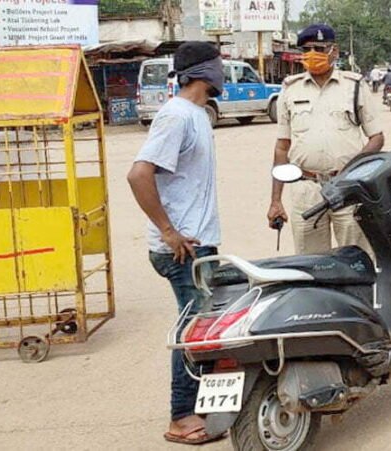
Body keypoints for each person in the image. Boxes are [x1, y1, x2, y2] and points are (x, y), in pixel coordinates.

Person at [126, 41, 225, 445]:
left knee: (205, 326)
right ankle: (182, 416)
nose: (223, 72)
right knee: (193, 329)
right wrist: (168, 231)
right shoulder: (176, 116)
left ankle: (200, 405)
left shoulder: (197, 114)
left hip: (198, 246)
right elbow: (138, 175)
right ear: (203, 72)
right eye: (218, 66)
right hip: (183, 250)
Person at [267, 24, 384, 254]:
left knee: (357, 262)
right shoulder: (290, 90)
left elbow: (376, 138)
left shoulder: (355, 86)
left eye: (319, 48)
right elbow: (282, 147)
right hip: (306, 190)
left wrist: (351, 171)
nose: (312, 55)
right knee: (311, 266)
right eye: (307, 49)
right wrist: (275, 201)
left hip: (348, 189)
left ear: (334, 51)